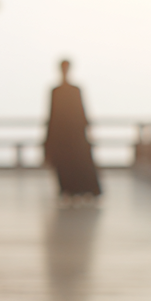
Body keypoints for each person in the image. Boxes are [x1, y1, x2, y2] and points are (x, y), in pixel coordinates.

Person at [43, 59, 101, 198]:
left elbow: (81, 112)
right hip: (61, 135)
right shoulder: (55, 91)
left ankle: (83, 190)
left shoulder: (75, 90)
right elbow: (52, 115)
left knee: (79, 162)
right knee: (64, 164)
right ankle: (67, 190)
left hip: (75, 134)